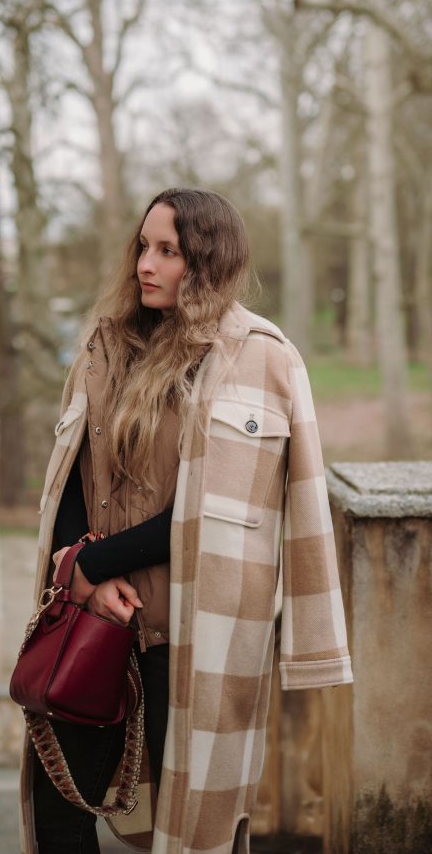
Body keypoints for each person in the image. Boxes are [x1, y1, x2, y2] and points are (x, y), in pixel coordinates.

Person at [18, 188, 353, 854]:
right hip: (97, 621)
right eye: (143, 246)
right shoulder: (106, 344)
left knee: (192, 831)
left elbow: (217, 510)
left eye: (168, 251)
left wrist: (94, 564)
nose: (146, 264)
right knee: (59, 815)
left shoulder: (262, 357)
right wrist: (80, 570)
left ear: (207, 260)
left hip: (196, 634)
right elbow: (72, 474)